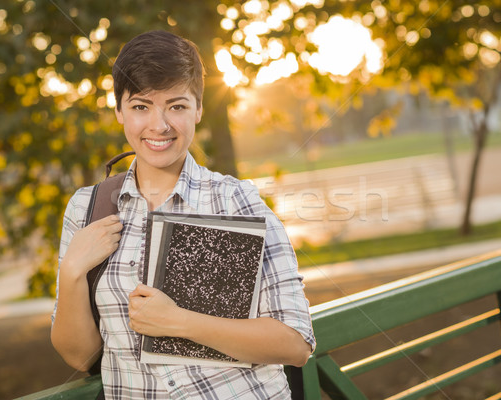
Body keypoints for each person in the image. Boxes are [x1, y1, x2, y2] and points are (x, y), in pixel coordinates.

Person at [51, 30, 315, 399]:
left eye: (176, 106)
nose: (159, 125)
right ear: (118, 112)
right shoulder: (87, 208)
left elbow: (295, 342)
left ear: (199, 109)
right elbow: (80, 356)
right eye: (141, 106)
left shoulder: (237, 200)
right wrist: (72, 271)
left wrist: (178, 322)